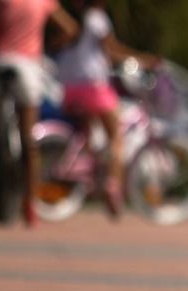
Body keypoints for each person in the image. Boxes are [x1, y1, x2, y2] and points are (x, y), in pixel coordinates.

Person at [0, 0, 78, 227]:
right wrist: (53, 44)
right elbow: (70, 28)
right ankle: (30, 204)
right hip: (27, 67)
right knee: (28, 140)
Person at [56, 0, 158, 220]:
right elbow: (112, 50)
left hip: (68, 87)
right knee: (116, 137)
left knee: (90, 134)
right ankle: (113, 184)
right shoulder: (97, 19)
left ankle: (89, 172)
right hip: (92, 86)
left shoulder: (77, 22)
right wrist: (143, 60)